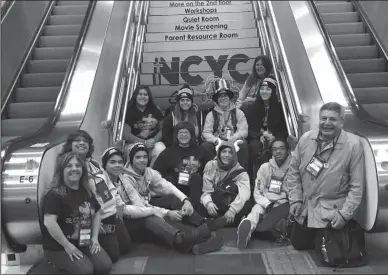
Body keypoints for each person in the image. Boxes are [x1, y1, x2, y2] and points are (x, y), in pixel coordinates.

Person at [120, 143, 225, 254]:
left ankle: (202, 224)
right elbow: (140, 207)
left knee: (171, 199)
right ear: (131, 159)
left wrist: (186, 200)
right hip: (133, 217)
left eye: (145, 157)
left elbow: (167, 186)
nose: (142, 160)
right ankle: (183, 239)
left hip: (146, 205)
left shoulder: (148, 172)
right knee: (152, 219)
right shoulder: (126, 179)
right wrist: (167, 213)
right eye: (138, 157)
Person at [287, 102, 364, 250]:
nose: (327, 123)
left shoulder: (353, 145)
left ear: (341, 122)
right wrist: (295, 199)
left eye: (332, 119)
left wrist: (344, 215)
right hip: (305, 208)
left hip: (332, 213)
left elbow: (357, 186)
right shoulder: (306, 139)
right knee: (299, 245)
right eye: (323, 118)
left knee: (328, 253)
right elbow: (293, 172)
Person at [59, 130, 131, 263]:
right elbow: (75, 199)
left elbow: (110, 186)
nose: (82, 143)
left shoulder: (95, 164)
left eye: (85, 141)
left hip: (112, 214)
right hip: (97, 218)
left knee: (126, 247)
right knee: (113, 256)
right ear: (70, 144)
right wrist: (95, 224)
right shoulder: (70, 167)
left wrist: (118, 204)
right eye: (77, 140)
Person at [42, 152, 112, 274]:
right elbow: (49, 222)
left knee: (105, 266)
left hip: (83, 241)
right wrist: (67, 245)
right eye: (69, 166)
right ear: (62, 170)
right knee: (86, 270)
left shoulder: (85, 190)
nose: (74, 169)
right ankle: (53, 266)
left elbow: (96, 213)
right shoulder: (55, 194)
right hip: (59, 247)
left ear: (82, 169)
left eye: (78, 166)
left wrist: (95, 238)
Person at [237, 138, 292, 249]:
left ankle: (263, 228)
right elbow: (258, 191)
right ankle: (245, 229)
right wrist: (267, 204)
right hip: (266, 202)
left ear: (288, 151)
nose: (278, 152)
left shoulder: (293, 168)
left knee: (270, 224)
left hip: (284, 203)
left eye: (281, 148)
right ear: (271, 152)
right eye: (275, 149)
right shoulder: (265, 167)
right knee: (255, 211)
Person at [155, 121, 212, 207]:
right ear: (176, 135)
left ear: (191, 135)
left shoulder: (200, 151)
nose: (184, 135)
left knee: (197, 178)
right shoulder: (168, 152)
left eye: (186, 132)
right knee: (169, 179)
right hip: (175, 186)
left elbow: (209, 169)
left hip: (193, 187)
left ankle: (194, 208)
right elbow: (156, 172)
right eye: (181, 132)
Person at [197, 141, 253, 228]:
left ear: (234, 155)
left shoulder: (241, 172)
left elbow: (244, 193)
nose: (227, 155)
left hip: (229, 203)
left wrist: (233, 210)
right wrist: (208, 203)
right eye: (224, 152)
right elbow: (206, 190)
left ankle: (214, 222)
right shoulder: (211, 165)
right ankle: (227, 221)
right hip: (215, 203)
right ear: (219, 153)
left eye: (230, 152)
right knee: (200, 206)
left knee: (248, 204)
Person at [201, 78, 249, 171]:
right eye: (220, 96)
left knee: (243, 145)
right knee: (205, 146)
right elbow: (206, 133)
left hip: (234, 141)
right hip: (218, 142)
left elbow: (244, 131)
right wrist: (216, 140)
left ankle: (241, 173)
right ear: (217, 99)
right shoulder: (211, 115)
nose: (223, 98)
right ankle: (213, 173)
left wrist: (233, 138)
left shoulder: (238, 113)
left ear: (229, 97)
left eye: (225, 95)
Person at [246, 76, 288, 181]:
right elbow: (249, 129)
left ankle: (276, 180)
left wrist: (274, 137)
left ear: (273, 92)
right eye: (262, 89)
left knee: (278, 147)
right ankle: (255, 180)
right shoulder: (253, 107)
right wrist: (260, 135)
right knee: (254, 146)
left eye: (268, 89)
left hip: (275, 136)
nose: (264, 92)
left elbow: (284, 129)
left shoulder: (280, 108)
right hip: (258, 137)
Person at [123, 85, 166, 166]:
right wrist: (144, 142)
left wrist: (154, 140)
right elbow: (126, 135)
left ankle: (150, 175)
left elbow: (163, 129)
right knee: (134, 151)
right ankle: (134, 176)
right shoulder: (129, 111)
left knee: (161, 148)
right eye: (140, 94)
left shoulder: (154, 109)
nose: (143, 97)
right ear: (135, 96)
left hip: (152, 142)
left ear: (149, 97)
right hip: (133, 143)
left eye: (145, 95)